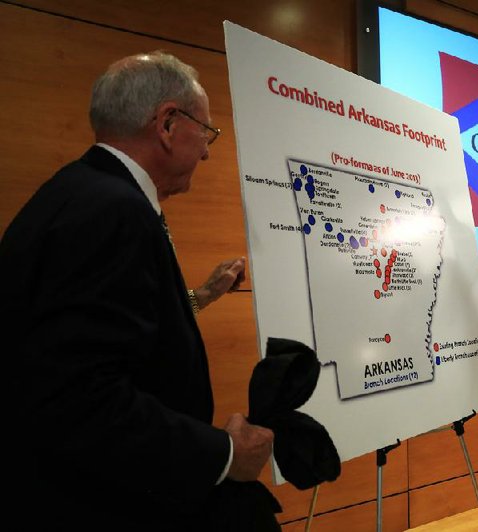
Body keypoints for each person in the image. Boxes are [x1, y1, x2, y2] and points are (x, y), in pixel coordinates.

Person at [1, 52, 274, 530]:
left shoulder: (77, 192)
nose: (208, 152)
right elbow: (83, 398)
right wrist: (225, 453)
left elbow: (98, 334)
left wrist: (198, 297)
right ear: (168, 123)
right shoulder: (113, 212)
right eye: (206, 133)